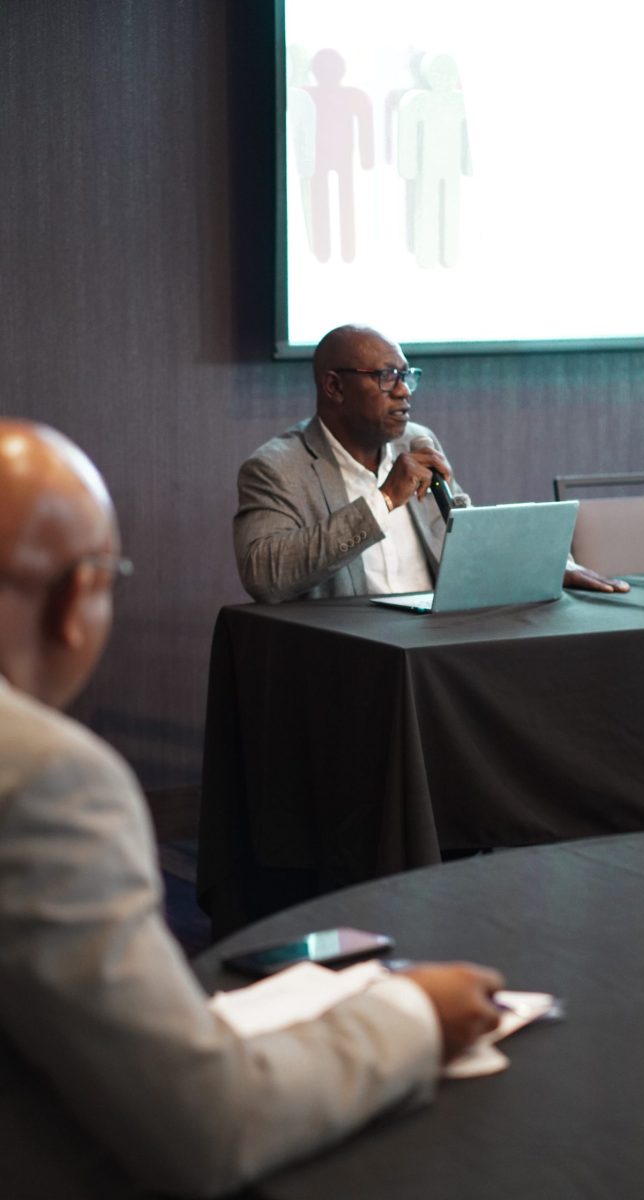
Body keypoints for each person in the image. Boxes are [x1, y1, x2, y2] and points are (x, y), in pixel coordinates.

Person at [0, 419, 504, 1199]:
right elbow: (205, 1124)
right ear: (76, 601)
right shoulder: (45, 783)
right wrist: (414, 1013)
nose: (400, 388)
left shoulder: (423, 444)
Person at [235, 323, 630, 603]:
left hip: (434, 644)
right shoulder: (276, 468)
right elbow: (266, 576)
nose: (404, 391)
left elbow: (467, 535)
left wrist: (544, 565)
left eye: (407, 376)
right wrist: (384, 499)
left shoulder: (416, 442)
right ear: (335, 386)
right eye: (387, 377)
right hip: (349, 657)